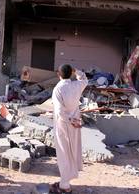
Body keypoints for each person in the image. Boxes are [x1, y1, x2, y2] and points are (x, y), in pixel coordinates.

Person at [50, 64, 88, 194]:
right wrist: (76, 70)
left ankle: (64, 186)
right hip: (75, 122)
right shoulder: (76, 85)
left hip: (64, 124)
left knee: (63, 153)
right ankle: (65, 181)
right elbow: (84, 79)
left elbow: (60, 111)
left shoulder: (58, 89)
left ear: (58, 74)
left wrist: (69, 120)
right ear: (71, 73)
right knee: (72, 151)